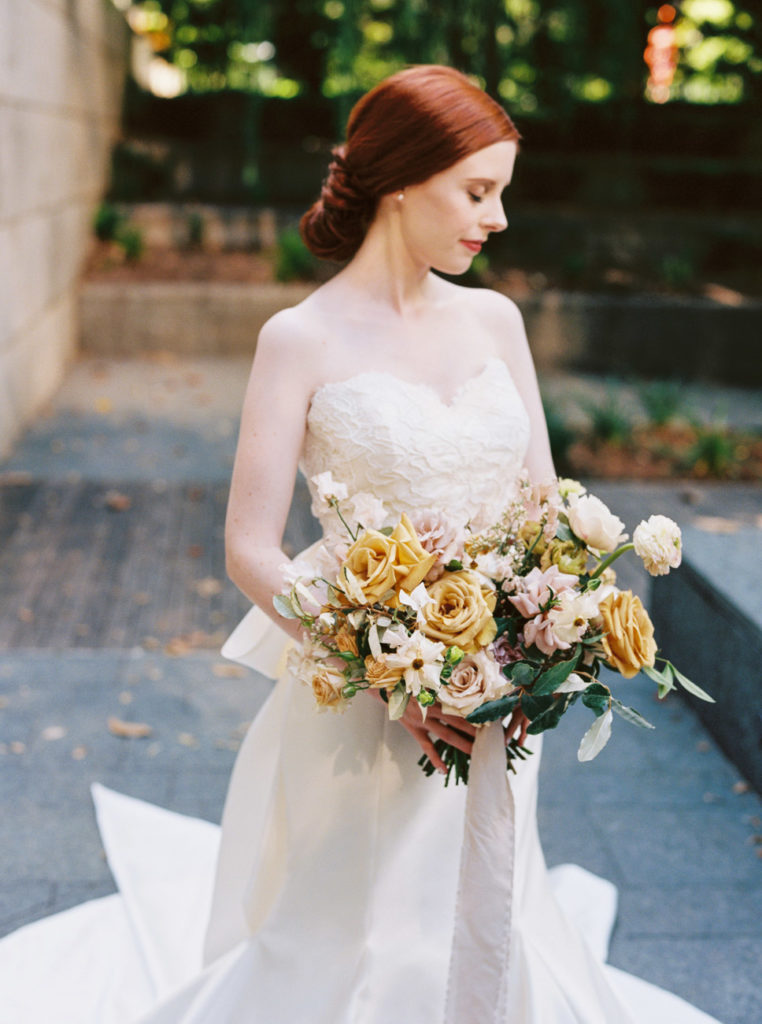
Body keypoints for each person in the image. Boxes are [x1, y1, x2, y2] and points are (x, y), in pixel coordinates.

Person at [0, 65, 723, 1024]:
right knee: (365, 931)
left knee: (484, 902)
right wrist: (391, 672)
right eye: (477, 191)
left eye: (501, 192)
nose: (498, 218)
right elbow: (249, 547)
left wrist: (546, 632)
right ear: (400, 180)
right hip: (359, 691)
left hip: (502, 685)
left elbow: (548, 506)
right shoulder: (298, 339)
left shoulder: (497, 321)